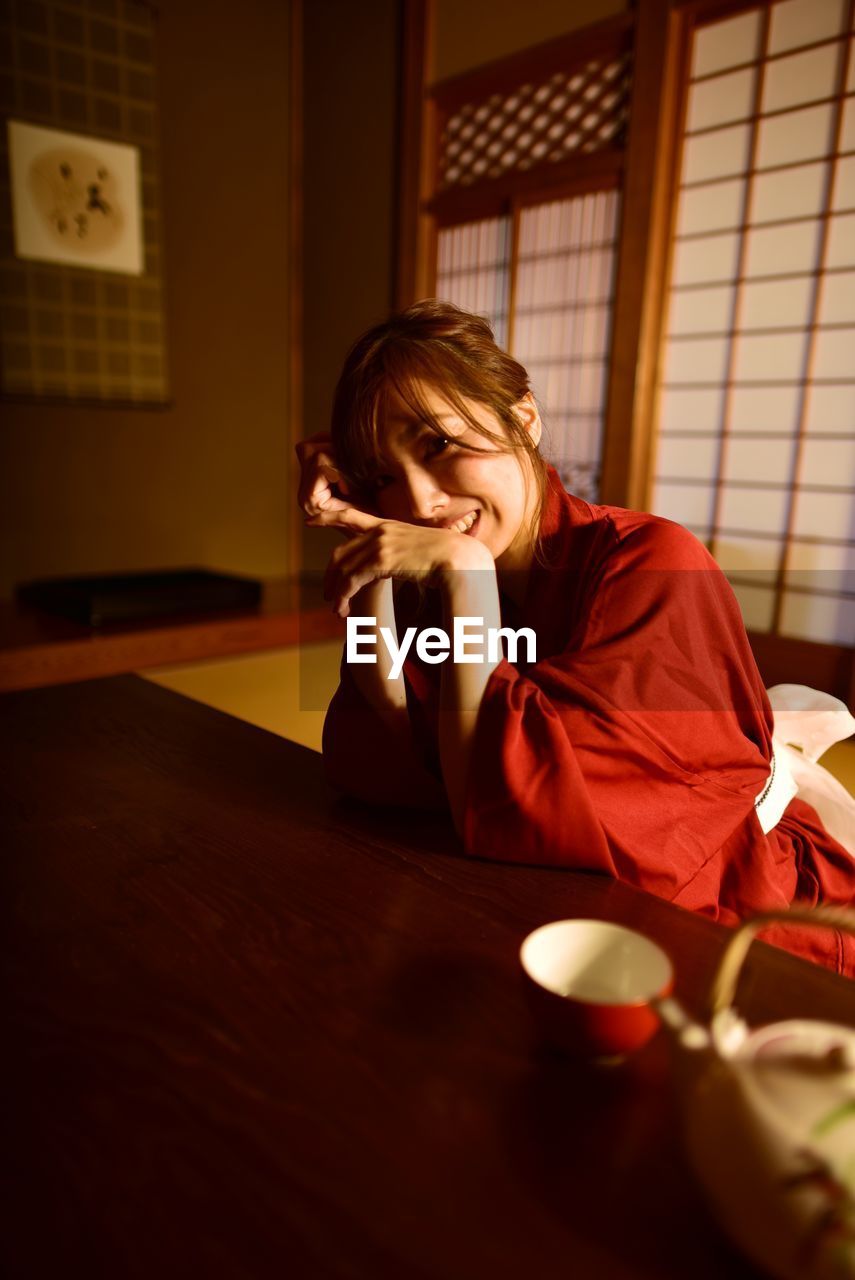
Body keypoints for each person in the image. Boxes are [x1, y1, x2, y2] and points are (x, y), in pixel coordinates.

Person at [297, 299, 855, 976]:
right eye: (382, 477)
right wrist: (369, 559)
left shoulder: (652, 562)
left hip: (739, 914)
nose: (417, 503)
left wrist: (467, 578)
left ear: (522, 419)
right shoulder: (434, 568)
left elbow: (523, 816)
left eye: (437, 445)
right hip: (540, 912)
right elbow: (386, 765)